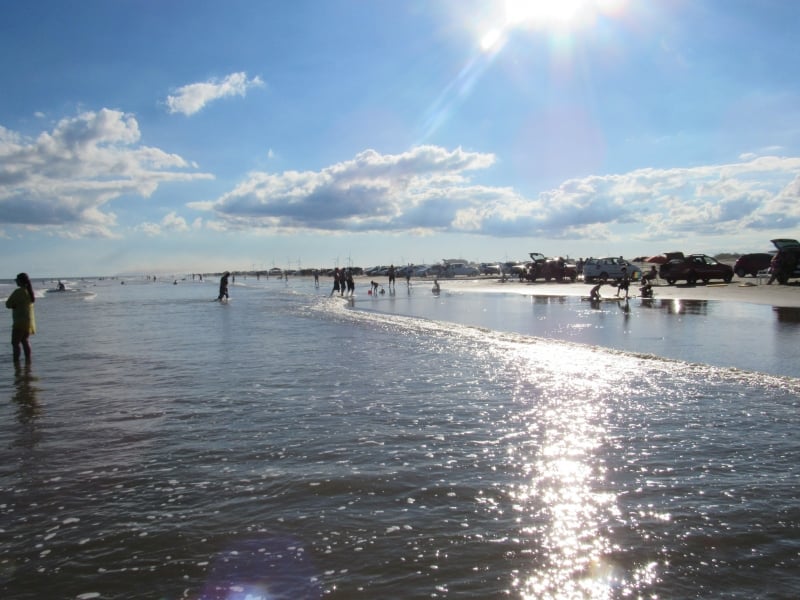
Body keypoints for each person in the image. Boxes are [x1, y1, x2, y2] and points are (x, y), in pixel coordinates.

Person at [6, 272, 36, 362]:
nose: (16, 282)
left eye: (17, 280)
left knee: (15, 343)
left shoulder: (18, 292)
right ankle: (28, 360)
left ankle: (16, 362)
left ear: (20, 281)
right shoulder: (29, 292)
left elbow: (8, 304)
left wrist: (14, 305)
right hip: (28, 320)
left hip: (19, 321)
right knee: (25, 341)